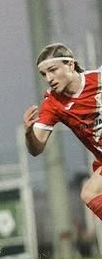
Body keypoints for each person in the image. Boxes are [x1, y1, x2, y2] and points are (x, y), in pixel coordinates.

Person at [24, 42, 102, 222]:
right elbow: (36, 149)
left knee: (90, 191)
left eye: (52, 70)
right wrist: (28, 133)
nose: (49, 78)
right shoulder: (53, 103)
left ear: (70, 65)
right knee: (90, 193)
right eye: (44, 74)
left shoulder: (98, 78)